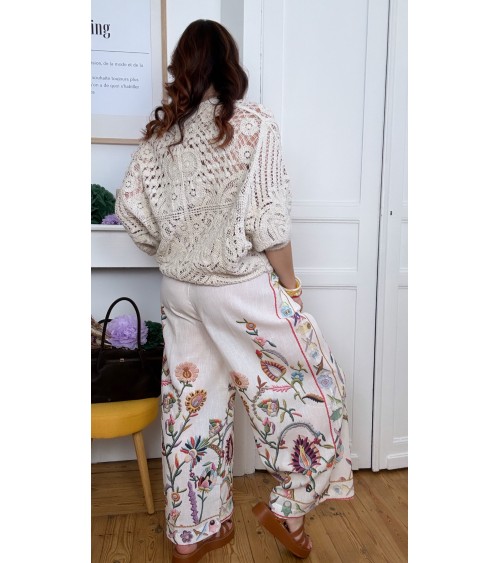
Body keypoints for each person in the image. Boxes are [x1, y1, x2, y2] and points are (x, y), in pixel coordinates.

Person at [116, 19, 354, 563]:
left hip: (179, 291)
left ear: (182, 66)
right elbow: (270, 223)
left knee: (191, 406)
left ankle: (190, 534)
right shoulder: (253, 124)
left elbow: (132, 211)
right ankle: (289, 509)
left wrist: (172, 247)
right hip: (236, 288)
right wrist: (291, 286)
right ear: (229, 63)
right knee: (318, 390)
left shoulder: (160, 138)